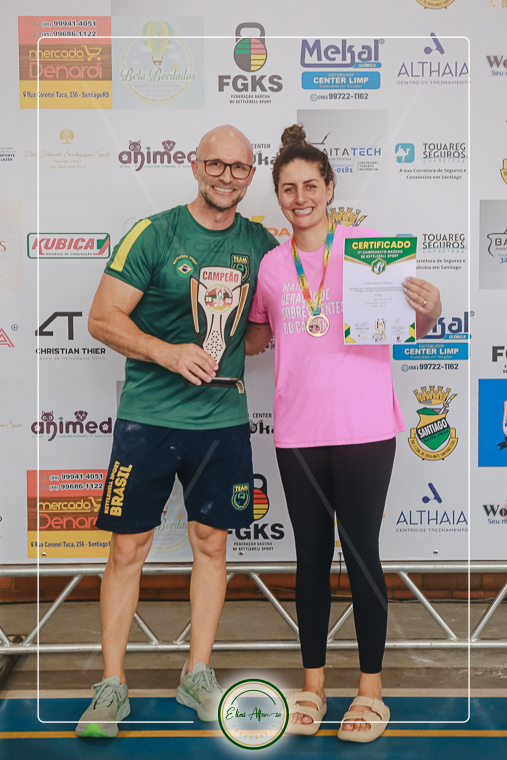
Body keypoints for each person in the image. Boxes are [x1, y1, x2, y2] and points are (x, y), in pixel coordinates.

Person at [76, 125, 277, 738]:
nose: (225, 176)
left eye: (238, 168)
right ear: (195, 166)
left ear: (250, 175)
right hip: (149, 418)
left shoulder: (260, 244)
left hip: (221, 421)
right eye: (215, 164)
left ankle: (197, 673)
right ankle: (112, 685)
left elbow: (265, 327)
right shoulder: (155, 232)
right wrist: (169, 353)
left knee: (212, 545)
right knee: (127, 549)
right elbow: (101, 318)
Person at [245, 125, 441, 743]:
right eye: (288, 188)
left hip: (364, 428)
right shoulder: (270, 266)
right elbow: (256, 337)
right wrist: (210, 324)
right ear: (279, 196)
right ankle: (313, 687)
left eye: (311, 185)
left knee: (360, 554)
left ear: (330, 188)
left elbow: (414, 327)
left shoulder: (368, 249)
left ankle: (370, 691)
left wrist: (430, 308)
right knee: (308, 558)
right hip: (297, 432)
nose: (300, 197)